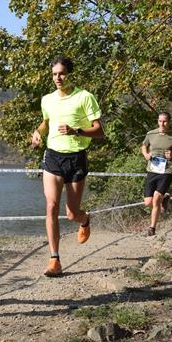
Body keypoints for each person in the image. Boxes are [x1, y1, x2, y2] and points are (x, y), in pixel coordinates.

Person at [31, 56, 103, 277]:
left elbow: (99, 131)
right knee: (51, 206)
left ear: (70, 74)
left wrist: (76, 131)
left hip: (76, 158)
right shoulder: (47, 100)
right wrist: (38, 132)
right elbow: (46, 122)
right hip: (53, 156)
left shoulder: (85, 97)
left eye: (62, 73)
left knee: (72, 213)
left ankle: (85, 219)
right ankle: (55, 259)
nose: (58, 78)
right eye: (54, 74)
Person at [141, 112, 172, 236]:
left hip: (166, 170)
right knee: (148, 202)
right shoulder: (151, 134)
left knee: (156, 198)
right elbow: (144, 146)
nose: (162, 124)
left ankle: (152, 228)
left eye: (164, 121)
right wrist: (146, 154)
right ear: (157, 121)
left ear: (169, 122)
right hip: (152, 170)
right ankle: (165, 197)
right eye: (160, 121)